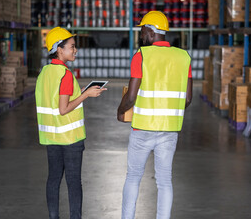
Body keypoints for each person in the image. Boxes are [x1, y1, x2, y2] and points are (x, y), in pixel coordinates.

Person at [117, 11, 193, 219]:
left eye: (142, 31)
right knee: (165, 181)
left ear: (150, 32)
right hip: (169, 130)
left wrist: (120, 110)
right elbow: (187, 99)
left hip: (142, 128)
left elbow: (131, 97)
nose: (141, 36)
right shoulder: (183, 57)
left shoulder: (141, 56)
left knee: (133, 177)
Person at [35, 27, 107, 219]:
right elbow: (63, 108)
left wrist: (81, 91)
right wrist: (85, 95)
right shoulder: (65, 74)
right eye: (72, 47)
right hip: (70, 138)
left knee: (53, 179)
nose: (75, 50)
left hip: (52, 137)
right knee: (74, 182)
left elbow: (56, 98)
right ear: (59, 49)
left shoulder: (45, 72)